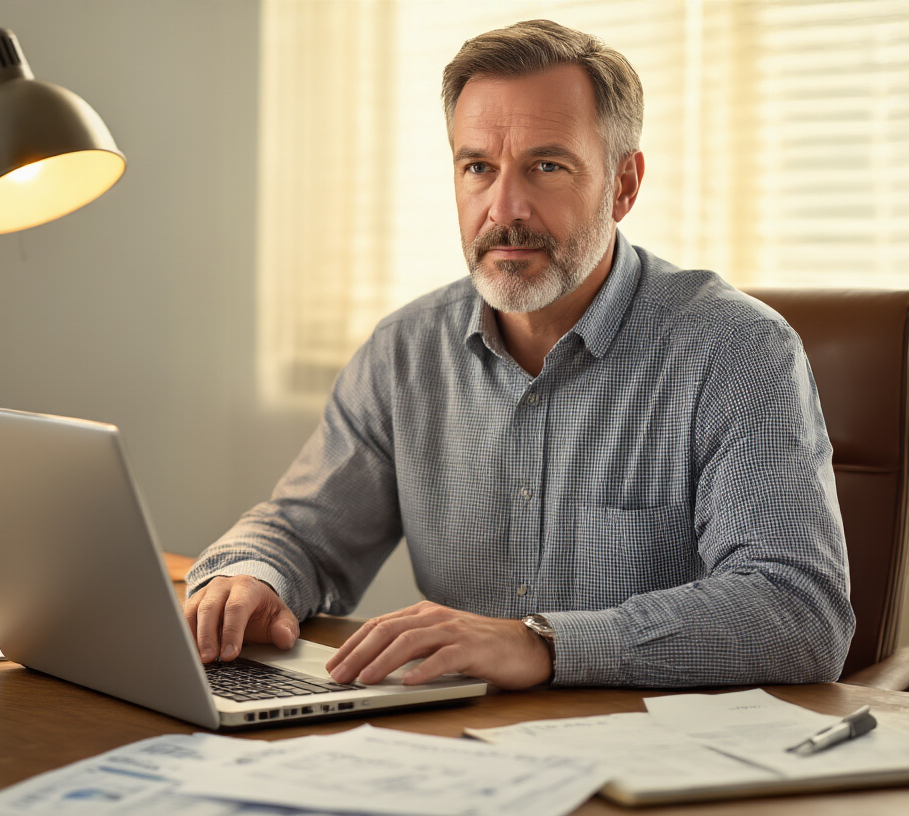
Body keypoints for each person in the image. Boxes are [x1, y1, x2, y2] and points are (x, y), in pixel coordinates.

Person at [183, 19, 854, 690]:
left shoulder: (735, 351)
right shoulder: (405, 352)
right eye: (478, 166)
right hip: (458, 751)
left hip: (656, 765)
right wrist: (249, 574)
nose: (504, 207)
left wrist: (545, 646)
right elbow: (303, 533)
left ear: (624, 184)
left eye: (547, 166)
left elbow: (798, 611)